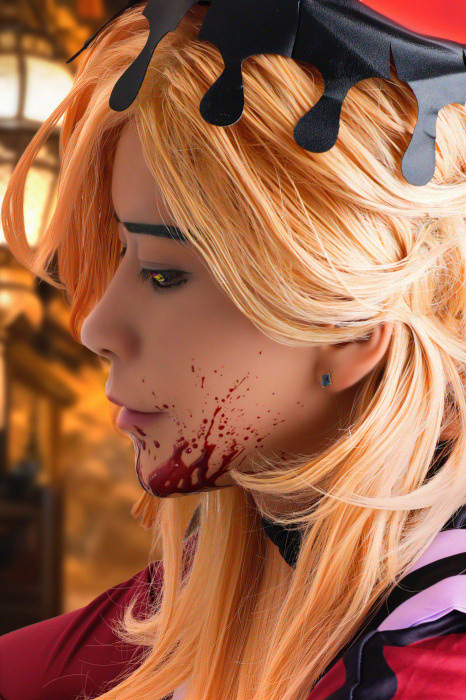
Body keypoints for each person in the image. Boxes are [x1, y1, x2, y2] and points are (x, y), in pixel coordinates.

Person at [1, 1, 466, 698]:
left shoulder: (434, 663)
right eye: (122, 253)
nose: (97, 327)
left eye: (164, 274)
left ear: (349, 330)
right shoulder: (242, 564)